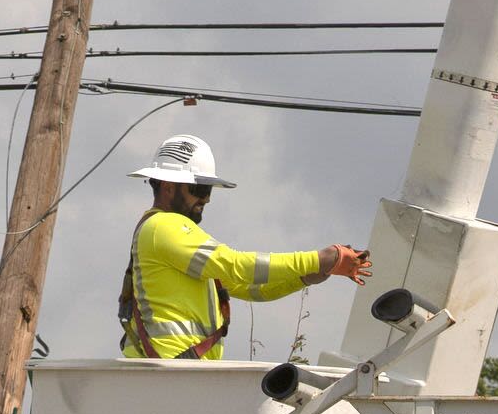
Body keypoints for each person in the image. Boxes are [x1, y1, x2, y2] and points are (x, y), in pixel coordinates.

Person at [115, 134, 370, 360]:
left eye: (208, 190)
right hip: (169, 370)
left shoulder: (174, 234)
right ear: (168, 187)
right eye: (199, 188)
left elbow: (250, 289)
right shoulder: (164, 226)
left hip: (178, 368)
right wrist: (321, 259)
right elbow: (238, 266)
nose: (206, 198)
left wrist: (304, 277)